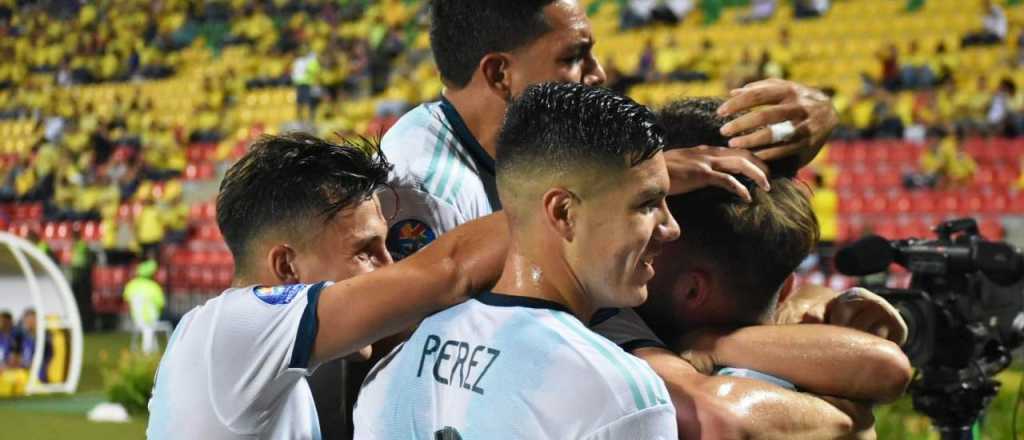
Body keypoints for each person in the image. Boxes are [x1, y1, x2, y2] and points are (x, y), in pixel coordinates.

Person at [382, 0, 839, 261]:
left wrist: (817, 116)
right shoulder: (427, 185)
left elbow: (703, 147)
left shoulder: (550, 141)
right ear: (501, 75)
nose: (598, 73)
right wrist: (617, 186)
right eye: (573, 57)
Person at [356, 82, 682, 439]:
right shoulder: (619, 395)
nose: (671, 228)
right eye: (647, 205)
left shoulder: (391, 374)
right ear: (563, 212)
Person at [146, 133, 509, 439]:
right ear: (286, 266)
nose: (388, 265)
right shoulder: (234, 329)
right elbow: (451, 269)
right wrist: (534, 205)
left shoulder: (241, 357)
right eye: (365, 252)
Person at [594, 98, 911, 438]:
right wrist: (852, 418)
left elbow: (886, 366)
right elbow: (887, 366)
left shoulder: (604, 317)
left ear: (693, 290)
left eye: (650, 214)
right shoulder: (805, 367)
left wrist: (709, 343)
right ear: (787, 287)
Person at [122, 260, 166, 354]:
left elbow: (126, 301)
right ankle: (147, 352)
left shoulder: (131, 285)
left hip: (136, 318)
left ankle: (152, 352)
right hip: (151, 319)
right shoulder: (154, 287)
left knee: (148, 329)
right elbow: (161, 304)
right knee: (149, 328)